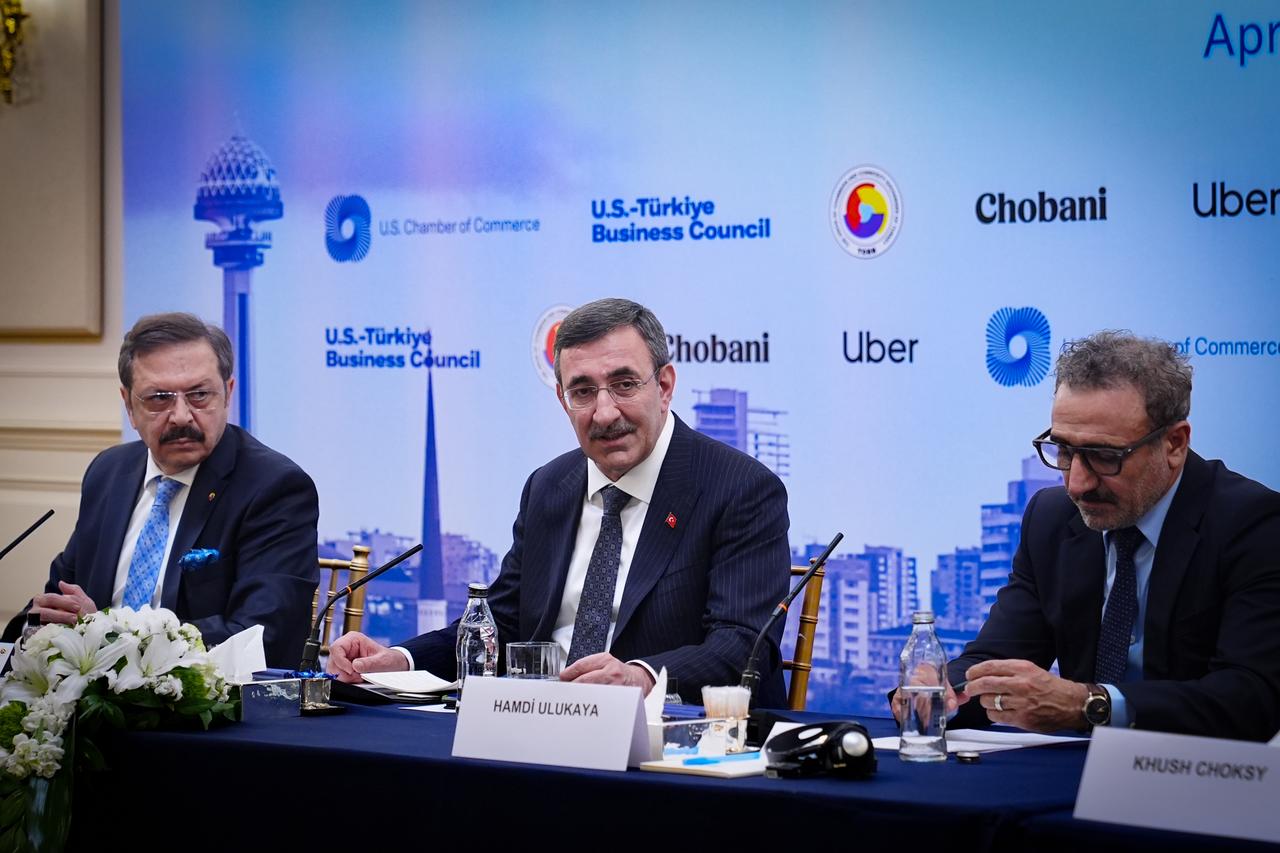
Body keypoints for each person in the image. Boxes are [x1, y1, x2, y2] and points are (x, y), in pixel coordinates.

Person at [328, 298, 792, 705]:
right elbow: (503, 622)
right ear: (562, 399)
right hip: (538, 729)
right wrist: (401, 660)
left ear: (665, 386)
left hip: (669, 741)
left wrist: (642, 678)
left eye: (625, 384)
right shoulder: (549, 486)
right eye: (583, 392)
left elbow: (743, 644)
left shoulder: (740, 488)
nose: (604, 412)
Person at [895, 331, 1279, 741]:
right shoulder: (1051, 518)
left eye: (1104, 456)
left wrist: (1089, 704)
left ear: (1174, 443)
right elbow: (999, 657)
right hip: (1075, 770)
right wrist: (940, 690)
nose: (1077, 484)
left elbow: (1249, 697)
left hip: (1196, 771)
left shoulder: (1253, 524)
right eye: (1063, 451)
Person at [4, 312, 320, 667]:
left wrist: (106, 637)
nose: (182, 416)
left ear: (227, 394)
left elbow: (261, 637)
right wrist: (33, 630)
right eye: (159, 398)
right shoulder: (108, 473)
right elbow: (59, 599)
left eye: (199, 395)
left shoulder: (273, 487)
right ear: (129, 405)